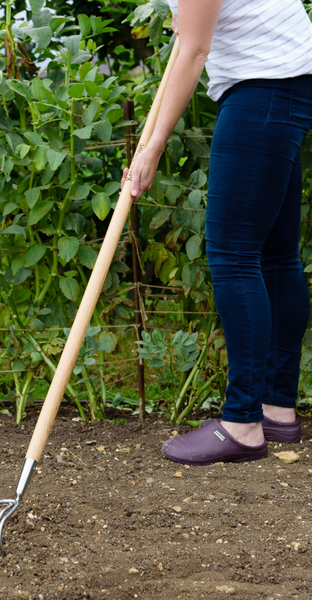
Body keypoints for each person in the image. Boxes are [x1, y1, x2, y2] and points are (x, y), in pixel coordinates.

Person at [123, 0, 312, 465]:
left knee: (234, 255)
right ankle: (276, 410)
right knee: (275, 255)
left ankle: (243, 424)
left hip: (263, 87)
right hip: (287, 79)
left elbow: (193, 51)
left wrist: (152, 147)